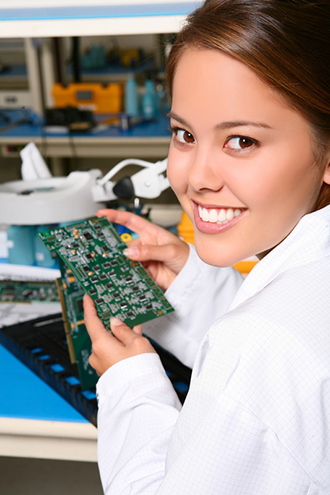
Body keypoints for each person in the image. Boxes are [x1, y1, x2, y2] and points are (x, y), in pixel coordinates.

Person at [83, 0, 330, 493]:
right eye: (184, 134)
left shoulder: (260, 344)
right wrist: (195, 284)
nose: (195, 178)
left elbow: (266, 362)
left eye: (241, 141)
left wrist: (131, 383)